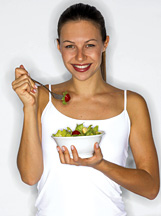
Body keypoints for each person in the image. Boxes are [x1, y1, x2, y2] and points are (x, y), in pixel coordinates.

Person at [12, 3, 160, 216]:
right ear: (58, 46)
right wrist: (29, 106)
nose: (80, 57)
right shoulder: (42, 97)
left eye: (89, 45)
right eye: (70, 46)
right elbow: (29, 176)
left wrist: (101, 164)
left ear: (105, 43)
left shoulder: (132, 104)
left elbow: (151, 187)